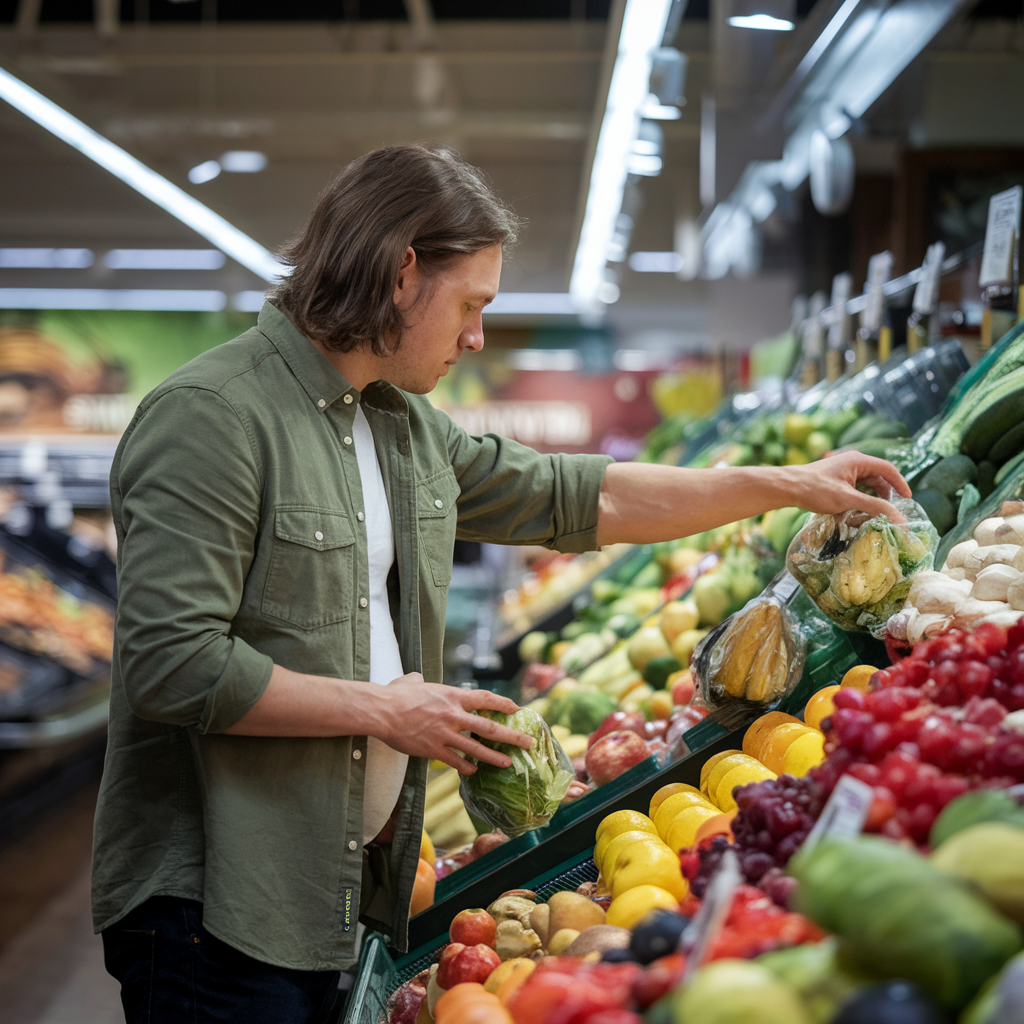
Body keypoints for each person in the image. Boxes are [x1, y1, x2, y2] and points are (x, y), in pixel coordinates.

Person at [93, 144, 910, 1024]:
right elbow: (173, 663)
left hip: (330, 893)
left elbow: (583, 495)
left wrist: (789, 482)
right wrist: (386, 711)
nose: (477, 337)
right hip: (215, 910)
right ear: (403, 273)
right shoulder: (212, 417)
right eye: (471, 304)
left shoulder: (398, 425)